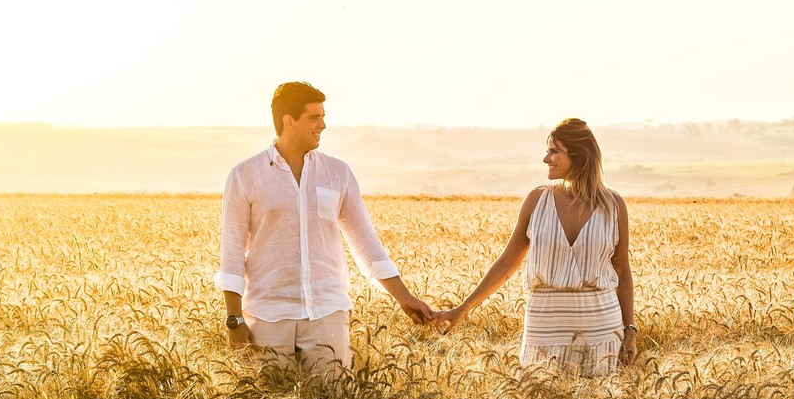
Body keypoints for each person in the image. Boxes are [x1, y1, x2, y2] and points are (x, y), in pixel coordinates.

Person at [215, 81, 434, 375]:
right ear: (288, 121)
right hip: (267, 316)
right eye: (315, 117)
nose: (324, 125)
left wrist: (405, 299)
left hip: (327, 315)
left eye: (323, 116)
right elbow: (231, 252)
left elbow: (366, 245)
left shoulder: (337, 173)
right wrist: (235, 319)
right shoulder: (245, 176)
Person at [434, 118, 637, 376]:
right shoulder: (536, 201)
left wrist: (629, 330)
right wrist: (463, 309)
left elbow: (622, 270)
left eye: (554, 151)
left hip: (601, 329)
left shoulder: (613, 205)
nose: (546, 159)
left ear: (579, 155)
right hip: (543, 328)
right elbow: (507, 263)